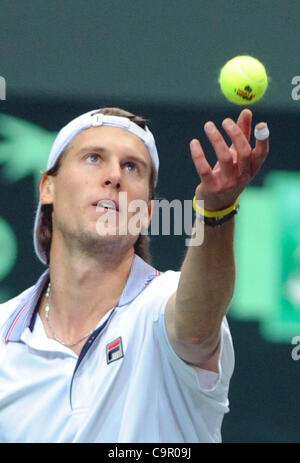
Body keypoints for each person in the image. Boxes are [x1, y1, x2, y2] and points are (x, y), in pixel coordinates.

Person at [0, 106, 269, 443]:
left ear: (148, 213)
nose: (114, 176)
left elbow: (196, 333)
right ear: (48, 188)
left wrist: (216, 211)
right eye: (94, 158)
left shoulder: (163, 303)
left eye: (132, 167)